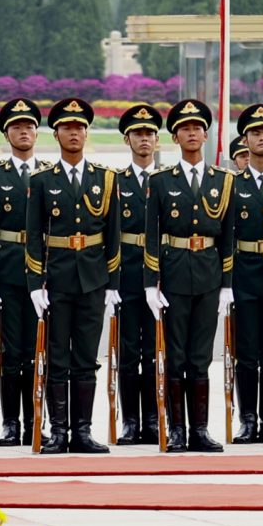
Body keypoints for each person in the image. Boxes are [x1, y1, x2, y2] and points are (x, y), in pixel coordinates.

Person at [27, 96, 118, 454]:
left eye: (80, 127)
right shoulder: (43, 180)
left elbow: (112, 235)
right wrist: (36, 281)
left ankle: (82, 431)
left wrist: (112, 283)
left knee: (85, 357)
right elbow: (34, 234)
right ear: (57, 134)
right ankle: (59, 431)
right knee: (57, 356)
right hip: (58, 278)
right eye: (67, 127)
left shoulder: (104, 178)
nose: (74, 133)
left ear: (86, 132)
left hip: (93, 278)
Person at [147, 99, 228, 453]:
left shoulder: (222, 181)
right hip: (175, 272)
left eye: (197, 127)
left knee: (201, 356)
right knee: (175, 355)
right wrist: (152, 282)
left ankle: (200, 429)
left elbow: (228, 236)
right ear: (175, 137)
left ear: (206, 135)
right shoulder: (162, 181)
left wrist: (227, 284)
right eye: (185, 128)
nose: (192, 133)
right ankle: (176, 429)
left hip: (209, 273)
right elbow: (151, 233)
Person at [0, 99, 47, 447]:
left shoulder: (49, 173)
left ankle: (38, 419)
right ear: (6, 133)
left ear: (37, 132)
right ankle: (11, 422)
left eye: (29, 126)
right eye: (16, 126)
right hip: (8, 270)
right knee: (11, 352)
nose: (24, 131)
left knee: (41, 350)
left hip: (45, 273)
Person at [108, 102, 165, 446]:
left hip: (162, 274)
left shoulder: (167, 180)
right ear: (127, 140)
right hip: (128, 272)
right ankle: (130, 421)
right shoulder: (115, 182)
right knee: (129, 351)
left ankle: (155, 418)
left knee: (157, 351)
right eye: (138, 134)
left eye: (150, 134)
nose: (144, 140)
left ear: (158, 140)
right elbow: (110, 233)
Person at [225, 103, 263, 444]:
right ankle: (248, 419)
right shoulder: (232, 184)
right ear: (245, 140)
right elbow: (227, 235)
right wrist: (225, 283)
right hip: (244, 273)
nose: (261, 138)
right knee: (246, 353)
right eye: (255, 133)